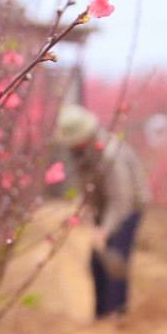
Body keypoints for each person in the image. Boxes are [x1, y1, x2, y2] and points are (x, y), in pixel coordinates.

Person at [55, 103, 151, 320]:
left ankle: (117, 312)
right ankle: (101, 313)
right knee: (97, 260)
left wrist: (104, 230)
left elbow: (121, 200)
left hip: (128, 207)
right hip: (105, 206)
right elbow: (87, 186)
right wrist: (86, 210)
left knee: (115, 255)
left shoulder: (108, 155)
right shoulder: (80, 152)